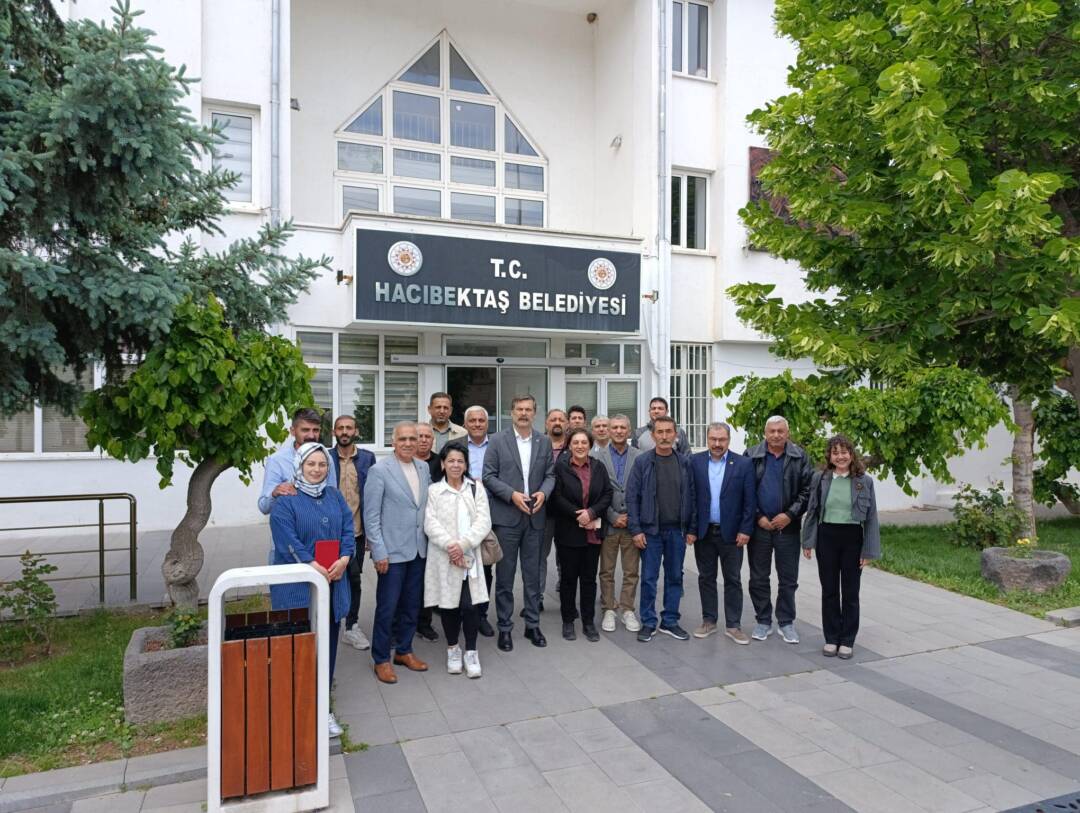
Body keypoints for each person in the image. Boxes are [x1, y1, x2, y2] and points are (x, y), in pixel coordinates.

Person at [269, 442, 353, 738]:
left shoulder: (334, 495)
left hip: (333, 582)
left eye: (322, 465)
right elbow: (286, 540)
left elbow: (347, 529)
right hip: (298, 589)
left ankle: (323, 707)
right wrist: (311, 564)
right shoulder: (286, 501)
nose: (317, 470)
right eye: (311, 464)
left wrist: (345, 558)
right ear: (299, 466)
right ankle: (297, 708)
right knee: (298, 648)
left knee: (327, 647)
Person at [482, 394, 555, 651]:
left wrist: (543, 493)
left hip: (535, 517)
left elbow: (550, 475)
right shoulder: (497, 441)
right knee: (505, 577)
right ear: (511, 412)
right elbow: (488, 476)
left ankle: (532, 625)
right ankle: (505, 627)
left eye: (528, 409)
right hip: (507, 518)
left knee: (532, 576)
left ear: (535, 413)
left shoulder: (544, 441)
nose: (523, 413)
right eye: (519, 409)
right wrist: (512, 495)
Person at [802, 435, 881, 659]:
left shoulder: (864, 481)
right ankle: (831, 637)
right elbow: (813, 511)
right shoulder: (820, 478)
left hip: (852, 538)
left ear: (852, 454)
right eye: (835, 452)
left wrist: (868, 550)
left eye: (844, 452)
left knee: (850, 591)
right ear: (829, 456)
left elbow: (871, 518)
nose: (840, 457)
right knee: (829, 590)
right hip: (826, 537)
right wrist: (807, 541)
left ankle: (847, 640)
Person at [364, 421, 430, 684]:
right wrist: (379, 551)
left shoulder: (423, 468)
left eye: (413, 438)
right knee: (387, 607)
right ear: (393, 442)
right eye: (403, 439)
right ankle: (381, 659)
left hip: (418, 550)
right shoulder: (380, 470)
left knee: (412, 605)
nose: (408, 443)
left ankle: (404, 650)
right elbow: (371, 516)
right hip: (391, 552)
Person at [424, 444, 492, 677]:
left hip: (469, 557)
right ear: (443, 464)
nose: (455, 465)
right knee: (448, 605)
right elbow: (430, 523)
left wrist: (463, 545)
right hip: (444, 558)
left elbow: (484, 521)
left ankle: (471, 651)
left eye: (460, 461)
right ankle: (453, 648)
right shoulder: (434, 491)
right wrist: (450, 546)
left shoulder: (475, 489)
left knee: (470, 606)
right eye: (451, 461)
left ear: (466, 465)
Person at [626, 416, 696, 642]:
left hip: (677, 531)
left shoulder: (685, 463)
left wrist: (692, 528)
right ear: (653, 435)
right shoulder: (642, 462)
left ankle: (670, 620)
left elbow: (694, 497)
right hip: (650, 532)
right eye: (660, 432)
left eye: (668, 432)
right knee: (649, 578)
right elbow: (632, 498)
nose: (664, 436)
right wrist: (636, 530)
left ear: (676, 435)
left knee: (675, 577)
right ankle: (648, 622)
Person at [745, 416, 813, 644]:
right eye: (772, 431)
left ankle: (786, 622)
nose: (776, 435)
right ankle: (763, 620)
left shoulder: (800, 456)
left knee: (788, 578)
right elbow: (745, 490)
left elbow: (807, 491)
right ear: (765, 433)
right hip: (760, 528)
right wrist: (758, 517)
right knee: (758, 578)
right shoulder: (751, 455)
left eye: (780, 431)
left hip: (788, 529)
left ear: (787, 433)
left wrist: (790, 515)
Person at [689, 423, 756, 643]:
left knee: (733, 579)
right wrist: (691, 529)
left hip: (733, 534)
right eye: (713, 439)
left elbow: (750, 501)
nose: (717, 444)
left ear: (728, 439)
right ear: (707, 439)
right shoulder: (695, 462)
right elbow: (690, 498)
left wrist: (745, 529)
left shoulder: (744, 464)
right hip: (704, 532)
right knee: (706, 578)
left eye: (722, 439)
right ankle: (709, 621)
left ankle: (734, 625)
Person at [551, 428, 613, 641]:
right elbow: (556, 496)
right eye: (575, 442)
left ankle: (588, 622)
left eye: (584, 442)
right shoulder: (561, 468)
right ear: (569, 445)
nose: (580, 446)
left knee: (589, 580)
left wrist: (592, 513)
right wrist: (578, 514)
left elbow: (607, 493)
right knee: (568, 579)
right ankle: (568, 620)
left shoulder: (598, 467)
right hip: (569, 531)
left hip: (592, 533)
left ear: (590, 445)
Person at [329, 415, 376, 652]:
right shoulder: (326, 457)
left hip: (356, 532)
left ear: (356, 431)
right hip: (329, 534)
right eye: (340, 428)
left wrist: (371, 532)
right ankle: (327, 623)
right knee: (329, 577)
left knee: (354, 578)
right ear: (334, 432)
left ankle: (351, 626)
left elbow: (373, 495)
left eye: (349, 428)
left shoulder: (367, 458)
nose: (345, 432)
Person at [592, 414, 642, 633]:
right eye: (615, 428)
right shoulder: (597, 457)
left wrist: (632, 516)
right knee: (606, 570)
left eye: (623, 427)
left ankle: (628, 609)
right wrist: (612, 516)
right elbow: (595, 492)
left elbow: (644, 490)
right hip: (609, 522)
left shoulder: (640, 456)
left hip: (632, 524)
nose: (619, 431)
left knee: (631, 571)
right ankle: (609, 609)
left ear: (629, 431)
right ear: (609, 431)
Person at [258, 408, 337, 515]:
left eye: (315, 430)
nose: (311, 435)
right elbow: (264, 507)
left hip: (322, 521)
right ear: (293, 431)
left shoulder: (327, 458)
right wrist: (275, 493)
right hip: (289, 523)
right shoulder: (277, 460)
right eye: (305, 430)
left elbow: (332, 498)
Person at [461, 405, 496, 638]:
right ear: (465, 424)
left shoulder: (497, 445)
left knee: (485, 565)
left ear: (487, 423)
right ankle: (460, 613)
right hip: (461, 513)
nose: (477, 424)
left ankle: (481, 615)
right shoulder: (456, 445)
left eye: (481, 420)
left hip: (491, 512)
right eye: (472, 421)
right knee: (461, 564)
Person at [412, 423, 444, 642]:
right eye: (419, 436)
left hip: (433, 529)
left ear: (433, 440)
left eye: (427, 436)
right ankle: (402, 623)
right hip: (408, 530)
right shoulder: (404, 461)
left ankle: (424, 623)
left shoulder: (440, 462)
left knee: (428, 579)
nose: (423, 440)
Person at [539, 408, 569, 610]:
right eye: (553, 419)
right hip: (543, 511)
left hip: (568, 513)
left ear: (567, 424)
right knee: (540, 556)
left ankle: (566, 597)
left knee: (566, 556)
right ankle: (537, 598)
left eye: (561, 419)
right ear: (546, 424)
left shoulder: (574, 445)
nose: (557, 422)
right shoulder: (538, 445)